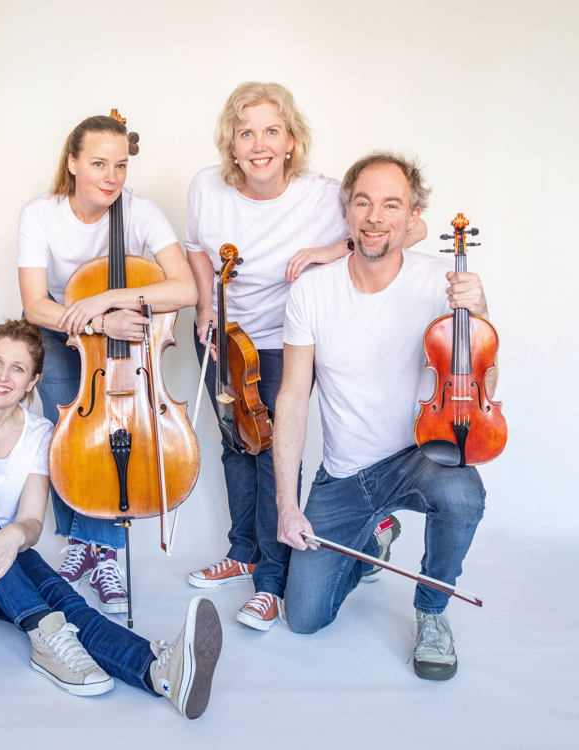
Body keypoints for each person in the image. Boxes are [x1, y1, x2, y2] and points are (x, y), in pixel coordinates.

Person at [0, 319, 221, 718]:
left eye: (18, 368)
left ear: (33, 381)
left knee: (67, 603)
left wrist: (12, 538)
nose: (2, 376)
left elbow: (30, 523)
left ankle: (158, 671)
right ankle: (42, 630)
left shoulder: (39, 432)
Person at [184, 82, 424, 630]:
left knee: (271, 452)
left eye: (272, 131)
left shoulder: (321, 195)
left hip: (281, 340)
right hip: (223, 336)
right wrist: (204, 305)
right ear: (231, 142)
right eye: (246, 133)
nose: (259, 145)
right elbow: (196, 249)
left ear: (291, 140)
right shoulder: (205, 187)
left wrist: (332, 249)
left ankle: (271, 581)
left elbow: (409, 228)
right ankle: (242, 551)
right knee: (235, 446)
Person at [275, 153, 490, 680]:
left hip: (419, 456)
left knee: (464, 493)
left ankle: (432, 611)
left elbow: (481, 389)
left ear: (412, 216)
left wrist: (479, 315)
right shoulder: (312, 291)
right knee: (303, 617)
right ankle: (374, 537)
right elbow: (293, 398)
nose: (375, 217)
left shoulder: (443, 284)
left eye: (391, 205)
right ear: (347, 211)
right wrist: (287, 505)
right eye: (363, 203)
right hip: (345, 475)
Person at [18, 115, 196, 613]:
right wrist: (98, 322)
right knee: (71, 437)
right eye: (98, 163)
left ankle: (99, 550)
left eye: (120, 165)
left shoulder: (140, 211)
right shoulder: (40, 214)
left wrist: (109, 298)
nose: (111, 177)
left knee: (121, 428)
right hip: (61, 331)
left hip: (123, 337)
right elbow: (35, 306)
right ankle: (88, 544)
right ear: (73, 162)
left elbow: (185, 288)